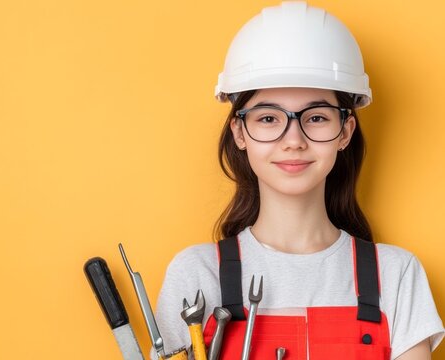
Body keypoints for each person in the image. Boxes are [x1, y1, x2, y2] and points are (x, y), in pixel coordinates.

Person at [152, 2, 444, 360]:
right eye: (269, 118)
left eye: (317, 117)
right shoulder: (197, 274)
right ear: (240, 132)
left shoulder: (395, 275)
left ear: (345, 131)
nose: (294, 140)